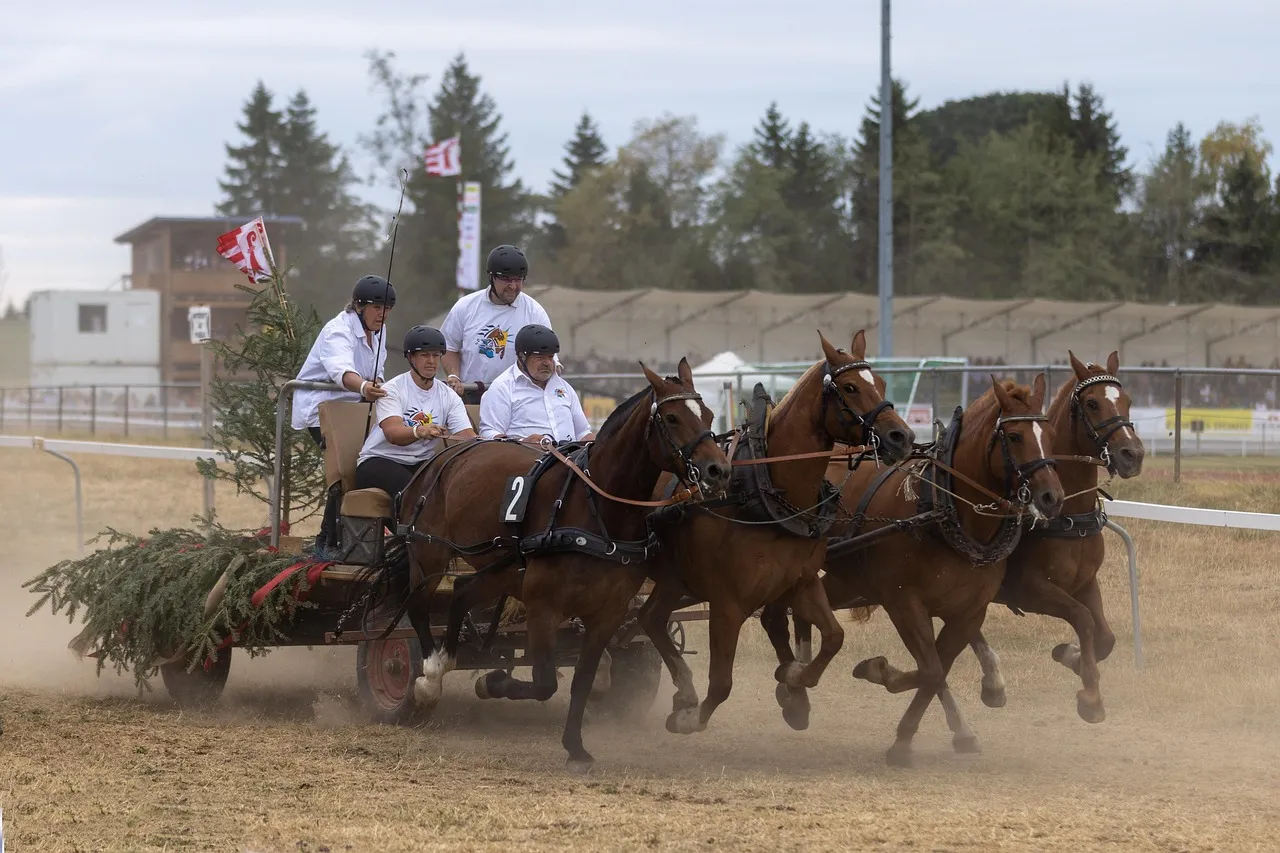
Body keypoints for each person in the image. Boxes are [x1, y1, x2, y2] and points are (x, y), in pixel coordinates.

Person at [291, 274, 394, 556]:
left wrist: (378, 386)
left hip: (355, 410)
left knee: (367, 467)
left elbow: (377, 371)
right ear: (359, 306)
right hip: (323, 410)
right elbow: (341, 370)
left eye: (386, 309)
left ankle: (348, 539)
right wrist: (363, 386)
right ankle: (328, 543)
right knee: (344, 474)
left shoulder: (381, 333)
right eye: (376, 307)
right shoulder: (338, 330)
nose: (382, 314)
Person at [354, 325, 476, 500]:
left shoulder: (448, 395)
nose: (431, 361)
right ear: (411, 358)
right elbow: (393, 434)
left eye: (436, 355)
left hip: (421, 463)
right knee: (414, 493)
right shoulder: (392, 390)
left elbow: (467, 437)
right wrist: (420, 431)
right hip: (379, 460)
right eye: (425, 355)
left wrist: (493, 444)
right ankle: (398, 528)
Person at [441, 244, 558, 404]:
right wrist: (453, 376)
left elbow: (550, 359)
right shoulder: (466, 306)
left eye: (518, 279)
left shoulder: (535, 312)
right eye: (506, 279)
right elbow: (449, 347)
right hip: (472, 395)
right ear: (491, 277)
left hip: (517, 398)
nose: (513, 286)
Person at [479, 324, 594, 445]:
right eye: (539, 357)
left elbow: (583, 433)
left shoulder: (564, 387)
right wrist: (524, 442)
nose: (547, 363)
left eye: (550, 357)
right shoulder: (502, 387)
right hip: (525, 460)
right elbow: (489, 434)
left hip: (569, 458)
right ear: (521, 357)